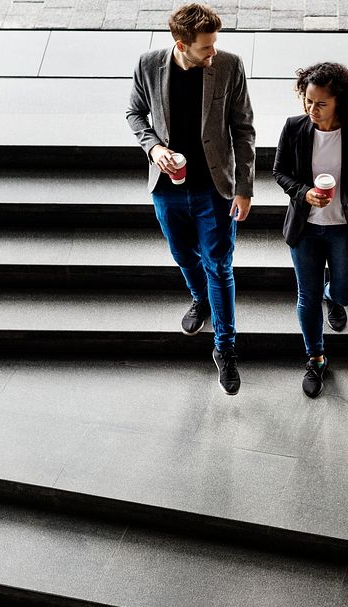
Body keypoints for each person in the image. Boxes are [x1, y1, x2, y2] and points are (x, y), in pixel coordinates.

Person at [126, 3, 255, 395]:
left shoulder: (229, 66)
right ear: (180, 44)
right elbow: (135, 114)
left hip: (214, 189)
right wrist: (153, 148)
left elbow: (243, 129)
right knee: (183, 255)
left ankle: (225, 349)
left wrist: (245, 188)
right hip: (167, 188)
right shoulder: (148, 65)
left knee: (219, 265)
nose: (213, 52)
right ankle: (200, 299)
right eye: (205, 47)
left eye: (214, 44)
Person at [272, 62, 348, 399]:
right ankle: (316, 357)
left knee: (345, 292)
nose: (312, 110)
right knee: (306, 295)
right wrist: (303, 192)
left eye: (321, 104)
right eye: (308, 101)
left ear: (340, 103)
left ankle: (333, 297)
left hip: (342, 228)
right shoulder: (294, 128)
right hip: (305, 229)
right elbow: (279, 171)